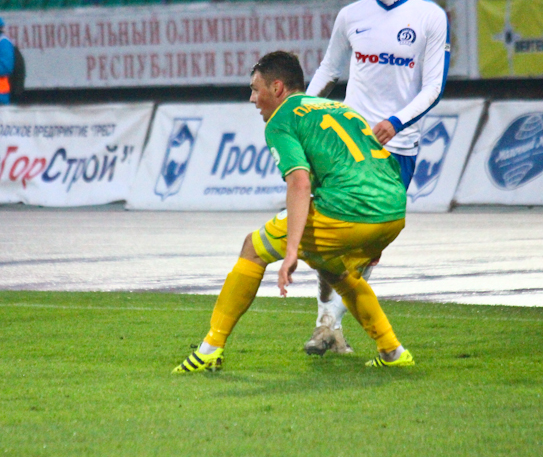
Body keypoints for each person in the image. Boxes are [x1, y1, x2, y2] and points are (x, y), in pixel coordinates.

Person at [173, 51, 413, 374]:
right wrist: (379, 227)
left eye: (256, 89)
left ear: (277, 88)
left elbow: (299, 183)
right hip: (393, 209)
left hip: (350, 210)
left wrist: (290, 252)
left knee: (253, 248)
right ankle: (392, 351)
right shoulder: (340, 108)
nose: (252, 99)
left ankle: (209, 349)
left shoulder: (282, 119)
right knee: (333, 269)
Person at [303, 0, 451, 355]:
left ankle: (332, 327)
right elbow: (329, 70)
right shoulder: (351, 16)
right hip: (346, 145)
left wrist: (396, 122)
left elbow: (434, 87)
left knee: (368, 246)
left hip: (396, 149)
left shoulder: (429, 17)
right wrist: (304, 115)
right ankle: (326, 326)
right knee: (330, 237)